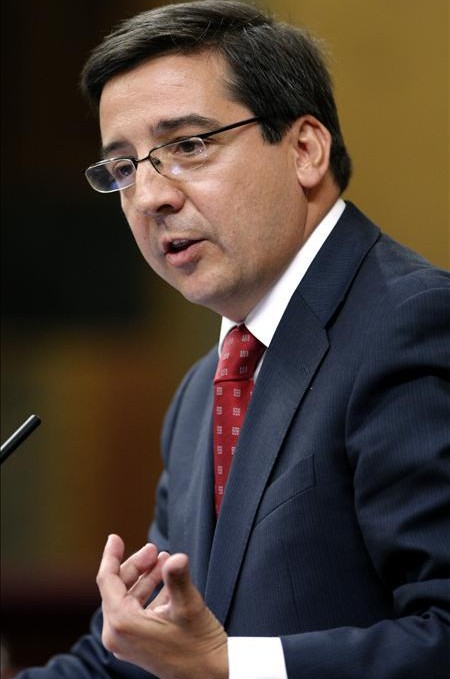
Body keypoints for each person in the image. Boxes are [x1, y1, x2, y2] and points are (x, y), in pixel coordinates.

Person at [18, 1, 449, 678]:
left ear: (305, 150)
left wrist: (229, 666)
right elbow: (140, 654)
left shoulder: (416, 324)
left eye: (188, 146)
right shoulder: (205, 390)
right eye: (124, 167)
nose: (149, 197)